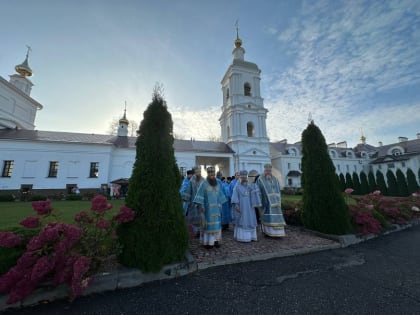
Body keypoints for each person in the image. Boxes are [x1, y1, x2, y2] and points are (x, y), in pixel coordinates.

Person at [193, 166, 227, 249]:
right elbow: (200, 196)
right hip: (207, 209)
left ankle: (216, 241)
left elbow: (220, 194)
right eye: (211, 175)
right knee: (208, 226)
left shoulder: (217, 183)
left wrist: (221, 204)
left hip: (217, 208)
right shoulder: (203, 184)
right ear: (208, 175)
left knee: (217, 226)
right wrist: (202, 206)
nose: (212, 176)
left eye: (213, 175)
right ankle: (208, 242)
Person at [256, 163, 286, 237]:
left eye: (269, 171)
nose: (268, 172)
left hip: (276, 202)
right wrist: (260, 200)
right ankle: (268, 232)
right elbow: (257, 190)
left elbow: (278, 189)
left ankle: (278, 232)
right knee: (267, 217)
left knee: (278, 217)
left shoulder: (275, 179)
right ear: (264, 170)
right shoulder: (260, 179)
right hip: (266, 202)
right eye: (267, 171)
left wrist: (279, 199)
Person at [231, 170, 261, 242]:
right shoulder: (237, 186)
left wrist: (255, 192)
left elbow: (255, 193)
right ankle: (243, 237)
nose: (244, 177)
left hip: (250, 207)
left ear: (246, 176)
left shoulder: (250, 185)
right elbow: (234, 196)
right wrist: (236, 205)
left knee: (250, 219)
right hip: (241, 206)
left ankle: (251, 236)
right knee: (242, 219)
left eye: (245, 176)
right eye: (242, 176)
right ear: (240, 177)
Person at [182, 166, 205, 237]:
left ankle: (201, 231)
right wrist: (187, 200)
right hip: (193, 202)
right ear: (194, 173)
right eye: (197, 172)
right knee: (194, 217)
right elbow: (188, 191)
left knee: (202, 217)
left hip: (202, 202)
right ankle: (195, 231)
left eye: (200, 172)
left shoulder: (203, 180)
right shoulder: (191, 180)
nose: (199, 173)